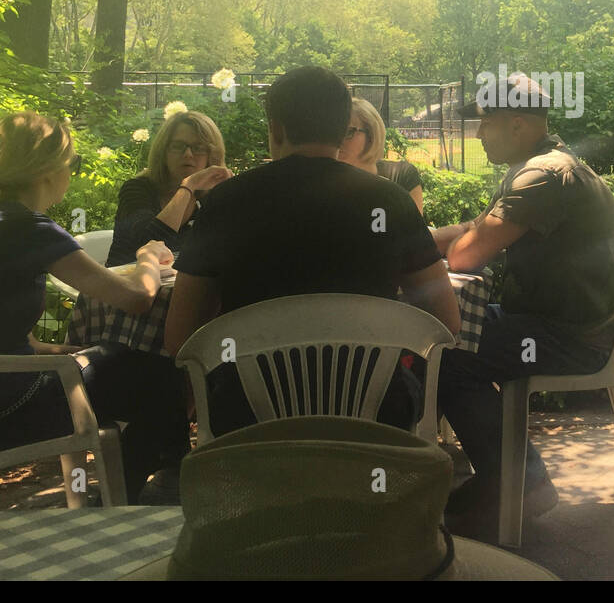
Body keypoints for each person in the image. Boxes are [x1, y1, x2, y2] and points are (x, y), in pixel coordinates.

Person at [0, 112, 189, 504]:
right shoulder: (29, 230)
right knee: (159, 373)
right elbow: (138, 299)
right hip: (4, 413)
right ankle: (127, 499)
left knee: (129, 365)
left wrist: (72, 353)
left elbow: (8, 341)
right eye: (72, 162)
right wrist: (148, 256)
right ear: (48, 170)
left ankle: (159, 479)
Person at [165, 67, 460, 435]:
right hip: (376, 411)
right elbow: (447, 321)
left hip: (250, 415)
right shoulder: (390, 203)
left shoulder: (226, 203)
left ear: (276, 128)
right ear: (342, 130)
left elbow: (180, 337)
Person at [434, 72, 614, 538]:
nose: (478, 134)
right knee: (446, 340)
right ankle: (509, 479)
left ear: (518, 124)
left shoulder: (541, 176)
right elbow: (476, 227)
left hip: (570, 337)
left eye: (485, 123)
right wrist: (415, 240)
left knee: (441, 354)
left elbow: (467, 253)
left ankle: (521, 485)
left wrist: (427, 250)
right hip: (566, 325)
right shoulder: (545, 166)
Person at [105, 110, 231, 267]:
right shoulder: (137, 189)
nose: (188, 154)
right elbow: (148, 244)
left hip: (179, 288)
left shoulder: (209, 197)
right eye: (178, 146)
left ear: (212, 156)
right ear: (163, 152)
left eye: (198, 148)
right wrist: (188, 186)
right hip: (125, 286)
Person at [338, 96, 424, 214]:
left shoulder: (401, 176)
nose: (338, 139)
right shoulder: (326, 183)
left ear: (371, 135)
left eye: (348, 132)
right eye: (334, 132)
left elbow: (414, 231)